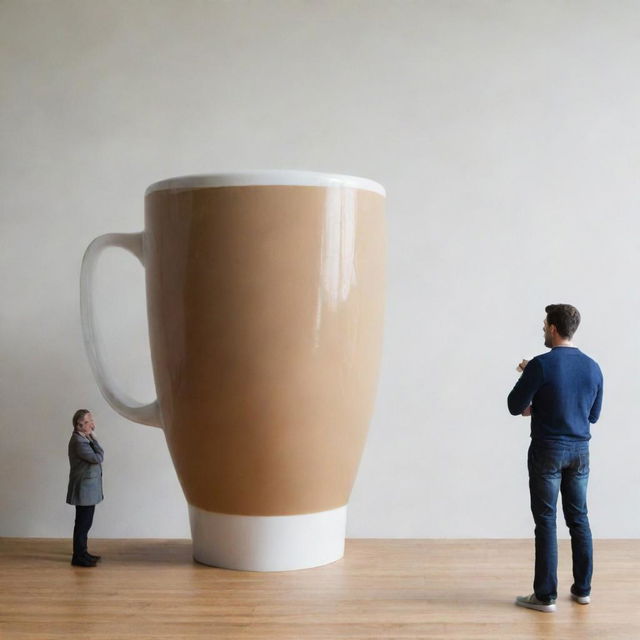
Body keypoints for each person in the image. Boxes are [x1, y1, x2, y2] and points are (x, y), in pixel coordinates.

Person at [508, 304, 603, 613]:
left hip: (547, 450)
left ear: (552, 328)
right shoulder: (593, 367)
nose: (543, 330)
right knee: (579, 519)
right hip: (580, 453)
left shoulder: (540, 365)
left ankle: (546, 595)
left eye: (544, 324)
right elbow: (592, 415)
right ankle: (583, 589)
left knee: (546, 522)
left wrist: (529, 377)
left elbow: (514, 405)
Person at [66, 409, 104, 567]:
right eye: (88, 422)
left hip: (88, 488)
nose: (92, 424)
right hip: (84, 489)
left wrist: (90, 436)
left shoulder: (84, 438)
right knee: (83, 523)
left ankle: (83, 552)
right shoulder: (79, 442)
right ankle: (78, 557)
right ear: (79, 425)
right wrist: (93, 437)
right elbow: (98, 457)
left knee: (85, 522)